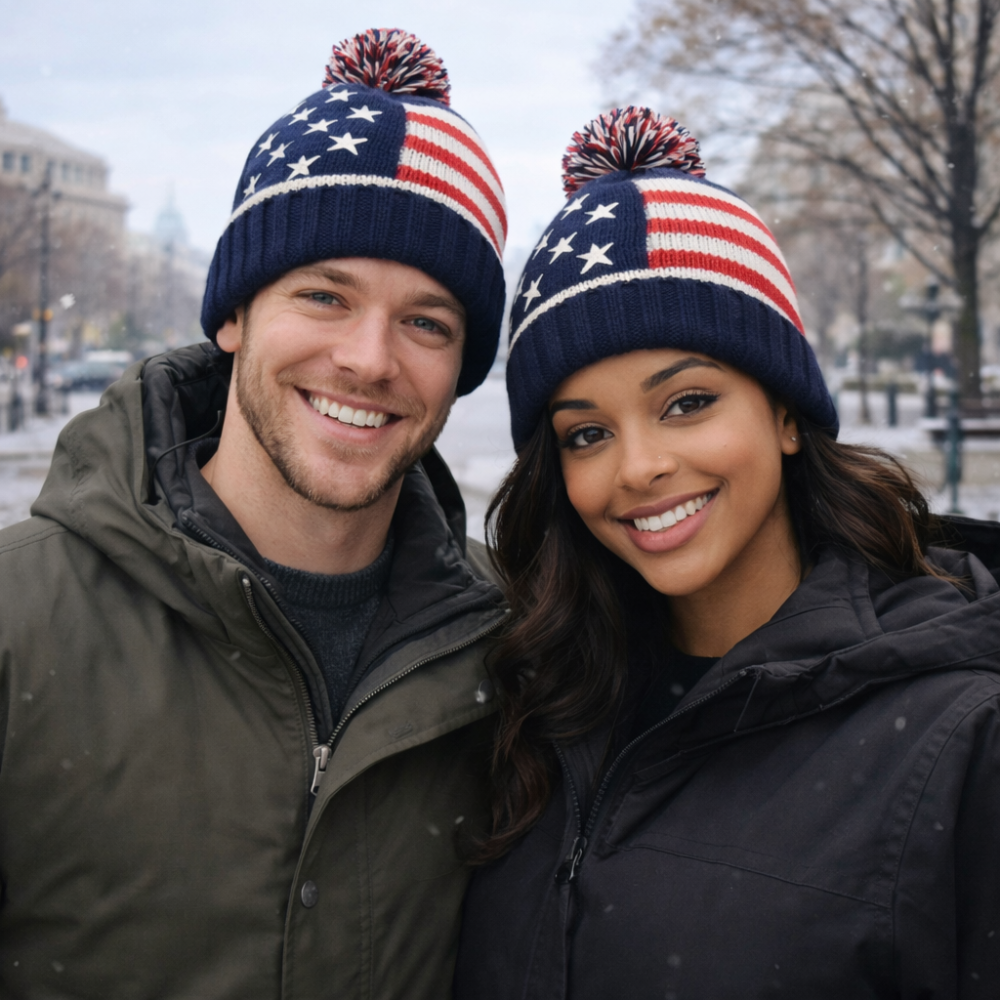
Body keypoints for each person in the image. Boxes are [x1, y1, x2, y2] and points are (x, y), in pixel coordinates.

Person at [0, 28, 508, 999]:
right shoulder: (18, 619)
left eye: (426, 322)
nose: (368, 357)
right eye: (324, 294)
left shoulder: (523, 644)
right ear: (233, 315)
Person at [455, 107, 1000, 999]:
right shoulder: (537, 703)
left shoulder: (962, 737)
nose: (639, 468)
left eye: (687, 402)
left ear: (785, 413)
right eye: (586, 432)